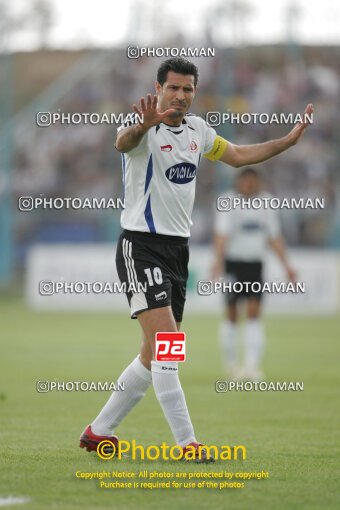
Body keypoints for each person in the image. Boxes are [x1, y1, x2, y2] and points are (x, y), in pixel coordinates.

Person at [79, 57, 312, 462]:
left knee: (154, 356)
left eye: (188, 89)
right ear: (158, 88)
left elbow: (238, 155)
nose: (181, 95)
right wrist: (144, 125)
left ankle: (98, 432)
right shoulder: (140, 126)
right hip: (141, 245)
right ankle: (188, 445)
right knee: (169, 347)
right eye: (173, 88)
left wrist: (286, 142)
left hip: (177, 252)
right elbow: (123, 143)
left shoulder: (198, 131)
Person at [212, 167, 296, 381]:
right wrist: (217, 263)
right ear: (239, 183)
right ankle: (232, 366)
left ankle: (252, 366)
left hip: (255, 265)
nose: (249, 185)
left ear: (258, 182)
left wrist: (287, 265)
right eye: (246, 181)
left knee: (254, 312)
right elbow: (222, 235)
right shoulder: (228, 201)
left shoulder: (267, 203)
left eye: (253, 181)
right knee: (232, 314)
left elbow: (274, 237)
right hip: (233, 264)